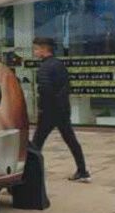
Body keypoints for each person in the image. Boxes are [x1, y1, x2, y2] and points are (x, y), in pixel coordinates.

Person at [30, 37, 90, 182]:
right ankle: (82, 170)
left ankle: (30, 175)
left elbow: (45, 89)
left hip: (49, 111)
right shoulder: (59, 65)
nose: (34, 51)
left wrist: (43, 108)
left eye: (36, 49)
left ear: (44, 49)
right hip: (62, 109)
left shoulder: (44, 67)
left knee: (36, 144)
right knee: (71, 140)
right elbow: (66, 87)